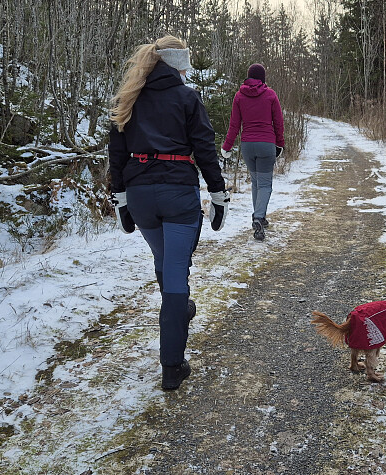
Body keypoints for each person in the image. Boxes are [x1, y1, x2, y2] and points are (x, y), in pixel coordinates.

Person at [108, 35, 230, 391]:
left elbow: (116, 154)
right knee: (176, 274)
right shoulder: (187, 98)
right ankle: (172, 366)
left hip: (141, 195)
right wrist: (218, 193)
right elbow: (204, 149)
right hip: (177, 193)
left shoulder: (128, 99)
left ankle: (180, 310)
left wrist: (120, 198)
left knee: (164, 260)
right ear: (181, 65)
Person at [220, 63, 284, 241]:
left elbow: (234, 125)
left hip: (247, 145)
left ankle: (260, 216)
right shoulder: (270, 95)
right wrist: (280, 144)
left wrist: (227, 147)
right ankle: (258, 217)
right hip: (266, 144)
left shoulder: (239, 96)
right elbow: (278, 123)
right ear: (263, 78)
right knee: (264, 184)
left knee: (256, 182)